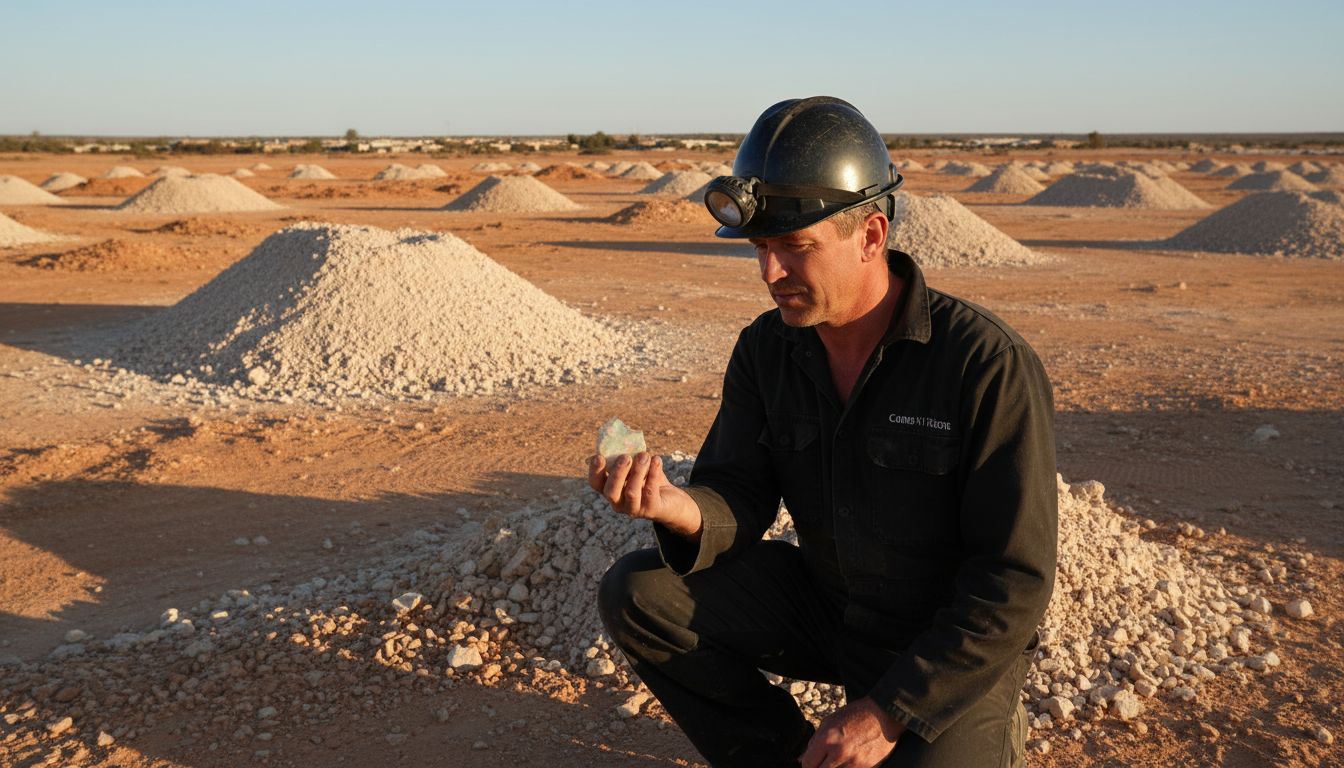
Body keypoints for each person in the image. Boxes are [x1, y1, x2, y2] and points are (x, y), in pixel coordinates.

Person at [588, 97, 1057, 768]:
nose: (770, 273)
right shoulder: (767, 349)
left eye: (794, 247)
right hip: (830, 609)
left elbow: (1012, 580)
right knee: (640, 593)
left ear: (870, 236)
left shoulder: (982, 364)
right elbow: (740, 493)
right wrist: (676, 507)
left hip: (940, 643)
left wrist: (888, 712)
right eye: (761, 248)